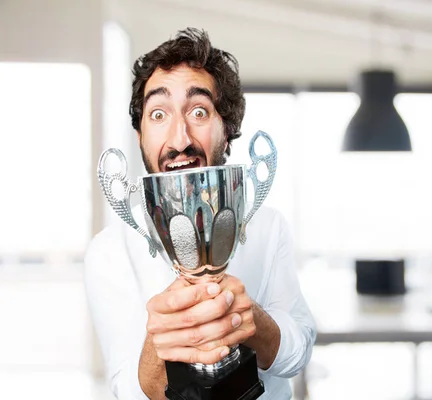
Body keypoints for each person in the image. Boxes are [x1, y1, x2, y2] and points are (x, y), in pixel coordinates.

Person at [84, 27, 316, 399]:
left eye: (198, 111)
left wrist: (251, 321)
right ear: (140, 135)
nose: (179, 140)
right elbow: (126, 391)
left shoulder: (268, 226)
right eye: (158, 114)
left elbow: (300, 351)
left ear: (228, 129)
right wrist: (160, 343)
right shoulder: (109, 250)